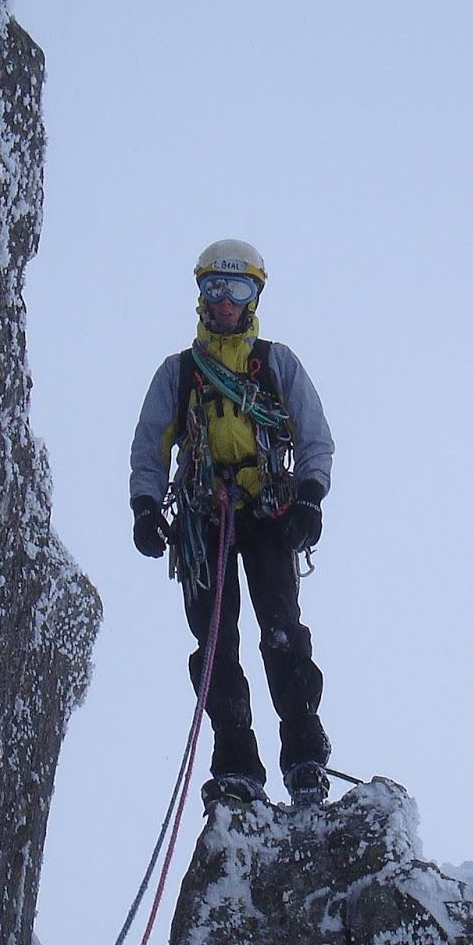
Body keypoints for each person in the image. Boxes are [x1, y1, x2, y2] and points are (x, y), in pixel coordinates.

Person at [130, 239, 333, 809]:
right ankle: (237, 766)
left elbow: (314, 435)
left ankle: (305, 759)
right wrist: (145, 506)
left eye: (236, 288)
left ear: (254, 296)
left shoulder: (274, 364)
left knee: (282, 632)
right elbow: (151, 446)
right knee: (216, 643)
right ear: (201, 295)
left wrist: (310, 497)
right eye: (215, 288)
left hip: (268, 513)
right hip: (204, 520)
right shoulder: (179, 374)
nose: (224, 300)